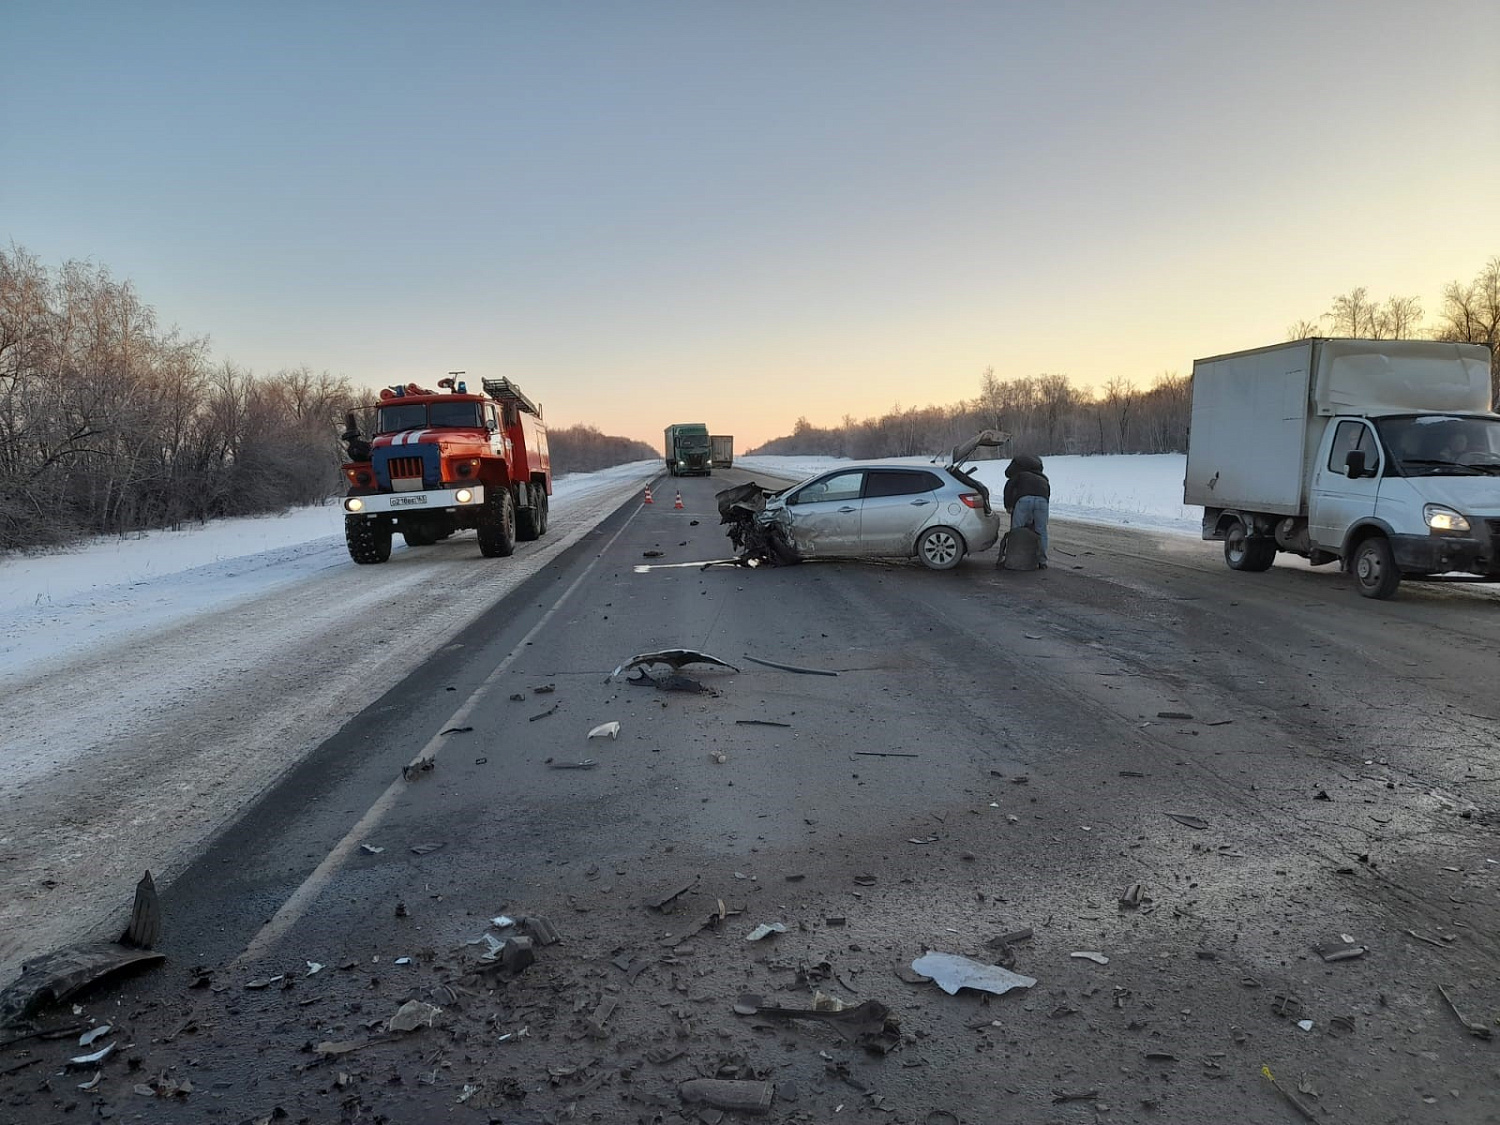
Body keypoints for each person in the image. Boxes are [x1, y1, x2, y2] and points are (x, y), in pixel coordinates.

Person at [1003, 454, 1051, 568]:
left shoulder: (1019, 475)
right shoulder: (1043, 477)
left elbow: (1008, 489)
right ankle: (1042, 561)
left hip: (1023, 499)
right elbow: (1048, 492)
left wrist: (1008, 505)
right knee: (1041, 531)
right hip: (1042, 501)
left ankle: (1014, 558)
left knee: (1017, 530)